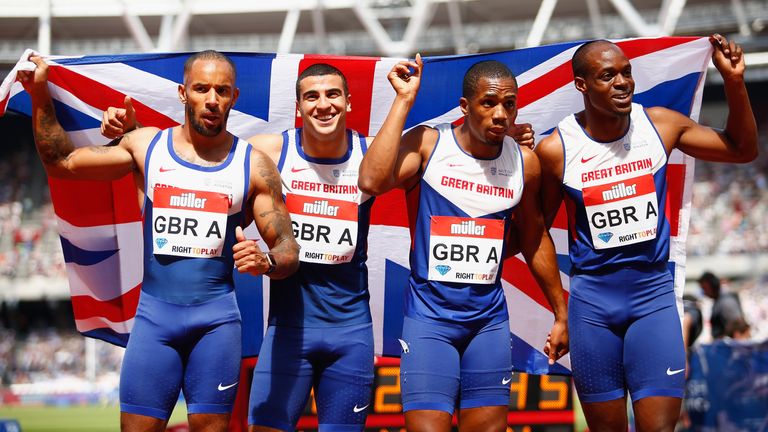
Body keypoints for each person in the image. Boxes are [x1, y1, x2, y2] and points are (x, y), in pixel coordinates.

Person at [19, 50, 300, 432]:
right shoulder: (146, 146)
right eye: (202, 89)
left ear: (234, 97)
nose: (212, 99)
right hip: (155, 320)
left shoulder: (254, 165)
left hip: (215, 324)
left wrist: (266, 261)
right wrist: (39, 94)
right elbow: (62, 163)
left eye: (222, 90)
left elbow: (288, 247)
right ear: (184, 92)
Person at [104, 63, 377, 432]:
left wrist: (405, 98)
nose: (323, 104)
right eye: (312, 96)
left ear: (348, 102)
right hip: (289, 328)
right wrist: (133, 133)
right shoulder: (267, 152)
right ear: (298, 106)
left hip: (350, 329)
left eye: (333, 95)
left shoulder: (370, 159)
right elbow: (191, 154)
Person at [534, 34, 758, 431]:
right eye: (608, 76)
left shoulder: (659, 125)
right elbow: (534, 231)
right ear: (581, 85)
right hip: (592, 307)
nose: (622, 82)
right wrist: (560, 310)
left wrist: (735, 83)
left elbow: (742, 149)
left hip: (652, 298)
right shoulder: (557, 149)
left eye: (626, 73)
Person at [358, 57, 569, 431]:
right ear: (465, 106)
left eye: (509, 103)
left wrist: (560, 312)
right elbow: (372, 181)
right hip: (429, 319)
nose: (501, 113)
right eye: (489, 103)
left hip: (487, 322)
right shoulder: (428, 144)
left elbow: (535, 239)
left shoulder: (525, 163)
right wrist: (404, 100)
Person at [698, 271, 744, 339]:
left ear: (713, 285)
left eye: (705, 288)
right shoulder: (717, 301)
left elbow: (738, 323)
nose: (704, 292)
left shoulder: (726, 301)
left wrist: (724, 338)